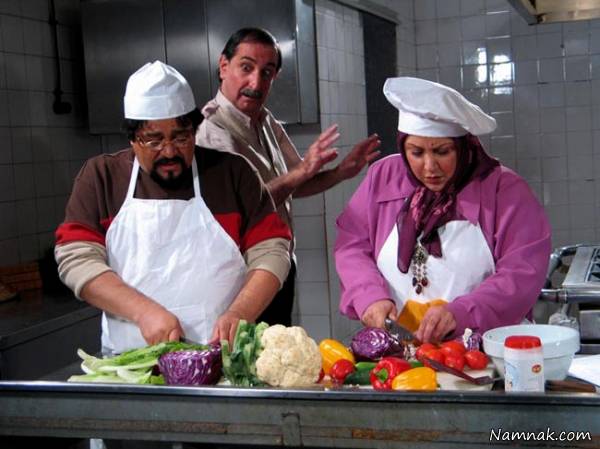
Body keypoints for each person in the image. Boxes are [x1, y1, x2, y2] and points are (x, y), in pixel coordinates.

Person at [55, 61, 291, 354]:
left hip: (222, 359)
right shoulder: (102, 178)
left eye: (181, 137)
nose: (169, 151)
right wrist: (143, 312)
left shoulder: (232, 174)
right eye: (153, 140)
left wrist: (241, 312)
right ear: (132, 138)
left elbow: (272, 250)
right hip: (130, 363)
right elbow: (76, 258)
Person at [335, 77, 552, 344]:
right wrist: (368, 296)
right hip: (402, 353)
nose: (430, 167)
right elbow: (352, 245)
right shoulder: (384, 177)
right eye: (416, 153)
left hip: (485, 350)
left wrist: (461, 314)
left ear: (463, 147)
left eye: (442, 151)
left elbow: (521, 273)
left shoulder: (503, 190)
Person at [197, 27, 381, 326]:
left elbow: (296, 184)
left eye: (267, 73)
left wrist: (341, 172)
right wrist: (303, 170)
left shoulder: (265, 120)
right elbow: (242, 208)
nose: (256, 83)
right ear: (223, 66)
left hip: (279, 265)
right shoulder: (211, 131)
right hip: (242, 279)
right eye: (246, 68)